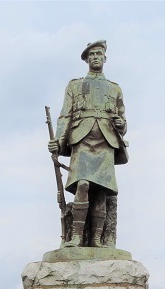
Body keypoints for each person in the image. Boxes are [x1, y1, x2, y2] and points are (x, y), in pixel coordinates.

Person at [48, 40, 128, 248]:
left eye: (99, 53)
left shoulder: (115, 88)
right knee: (83, 184)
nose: (95, 57)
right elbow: (65, 115)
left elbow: (123, 119)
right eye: (91, 54)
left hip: (106, 140)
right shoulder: (75, 85)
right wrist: (58, 141)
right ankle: (75, 236)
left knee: (101, 191)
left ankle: (96, 240)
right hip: (82, 139)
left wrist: (121, 125)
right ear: (86, 59)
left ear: (105, 58)